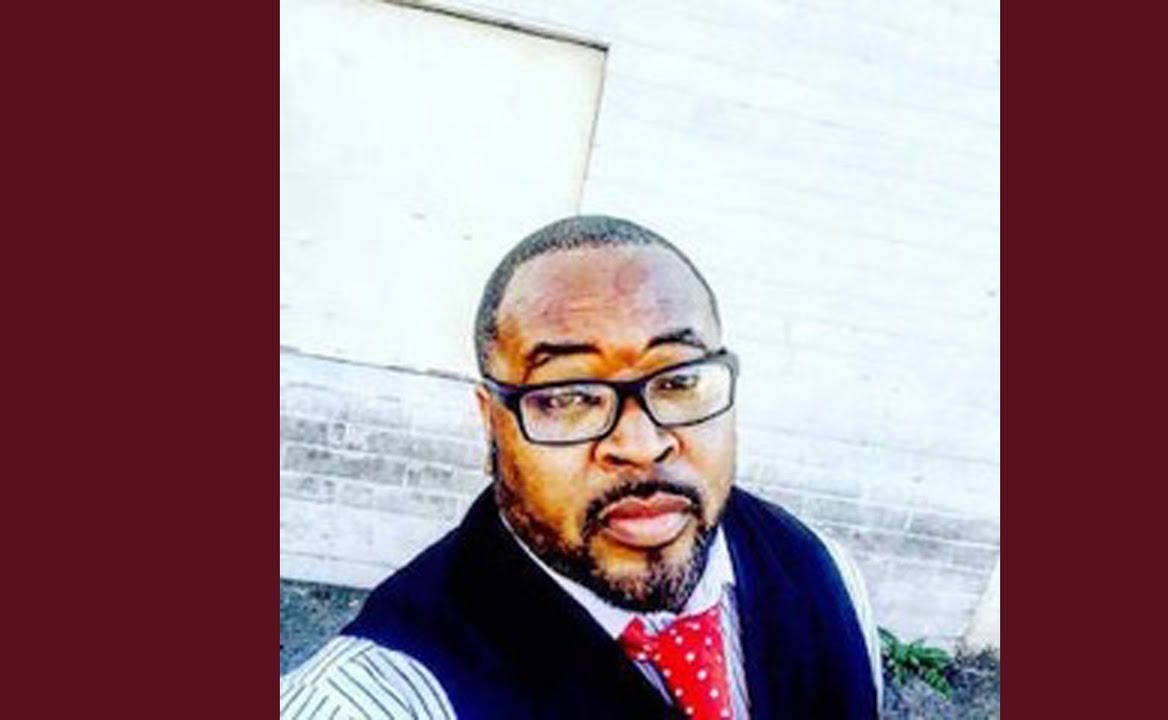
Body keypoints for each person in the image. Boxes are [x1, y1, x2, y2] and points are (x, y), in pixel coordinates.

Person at [280, 216, 883, 719]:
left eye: (678, 381)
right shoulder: (378, 701)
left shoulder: (825, 574)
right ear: (492, 422)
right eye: (568, 396)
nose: (641, 445)